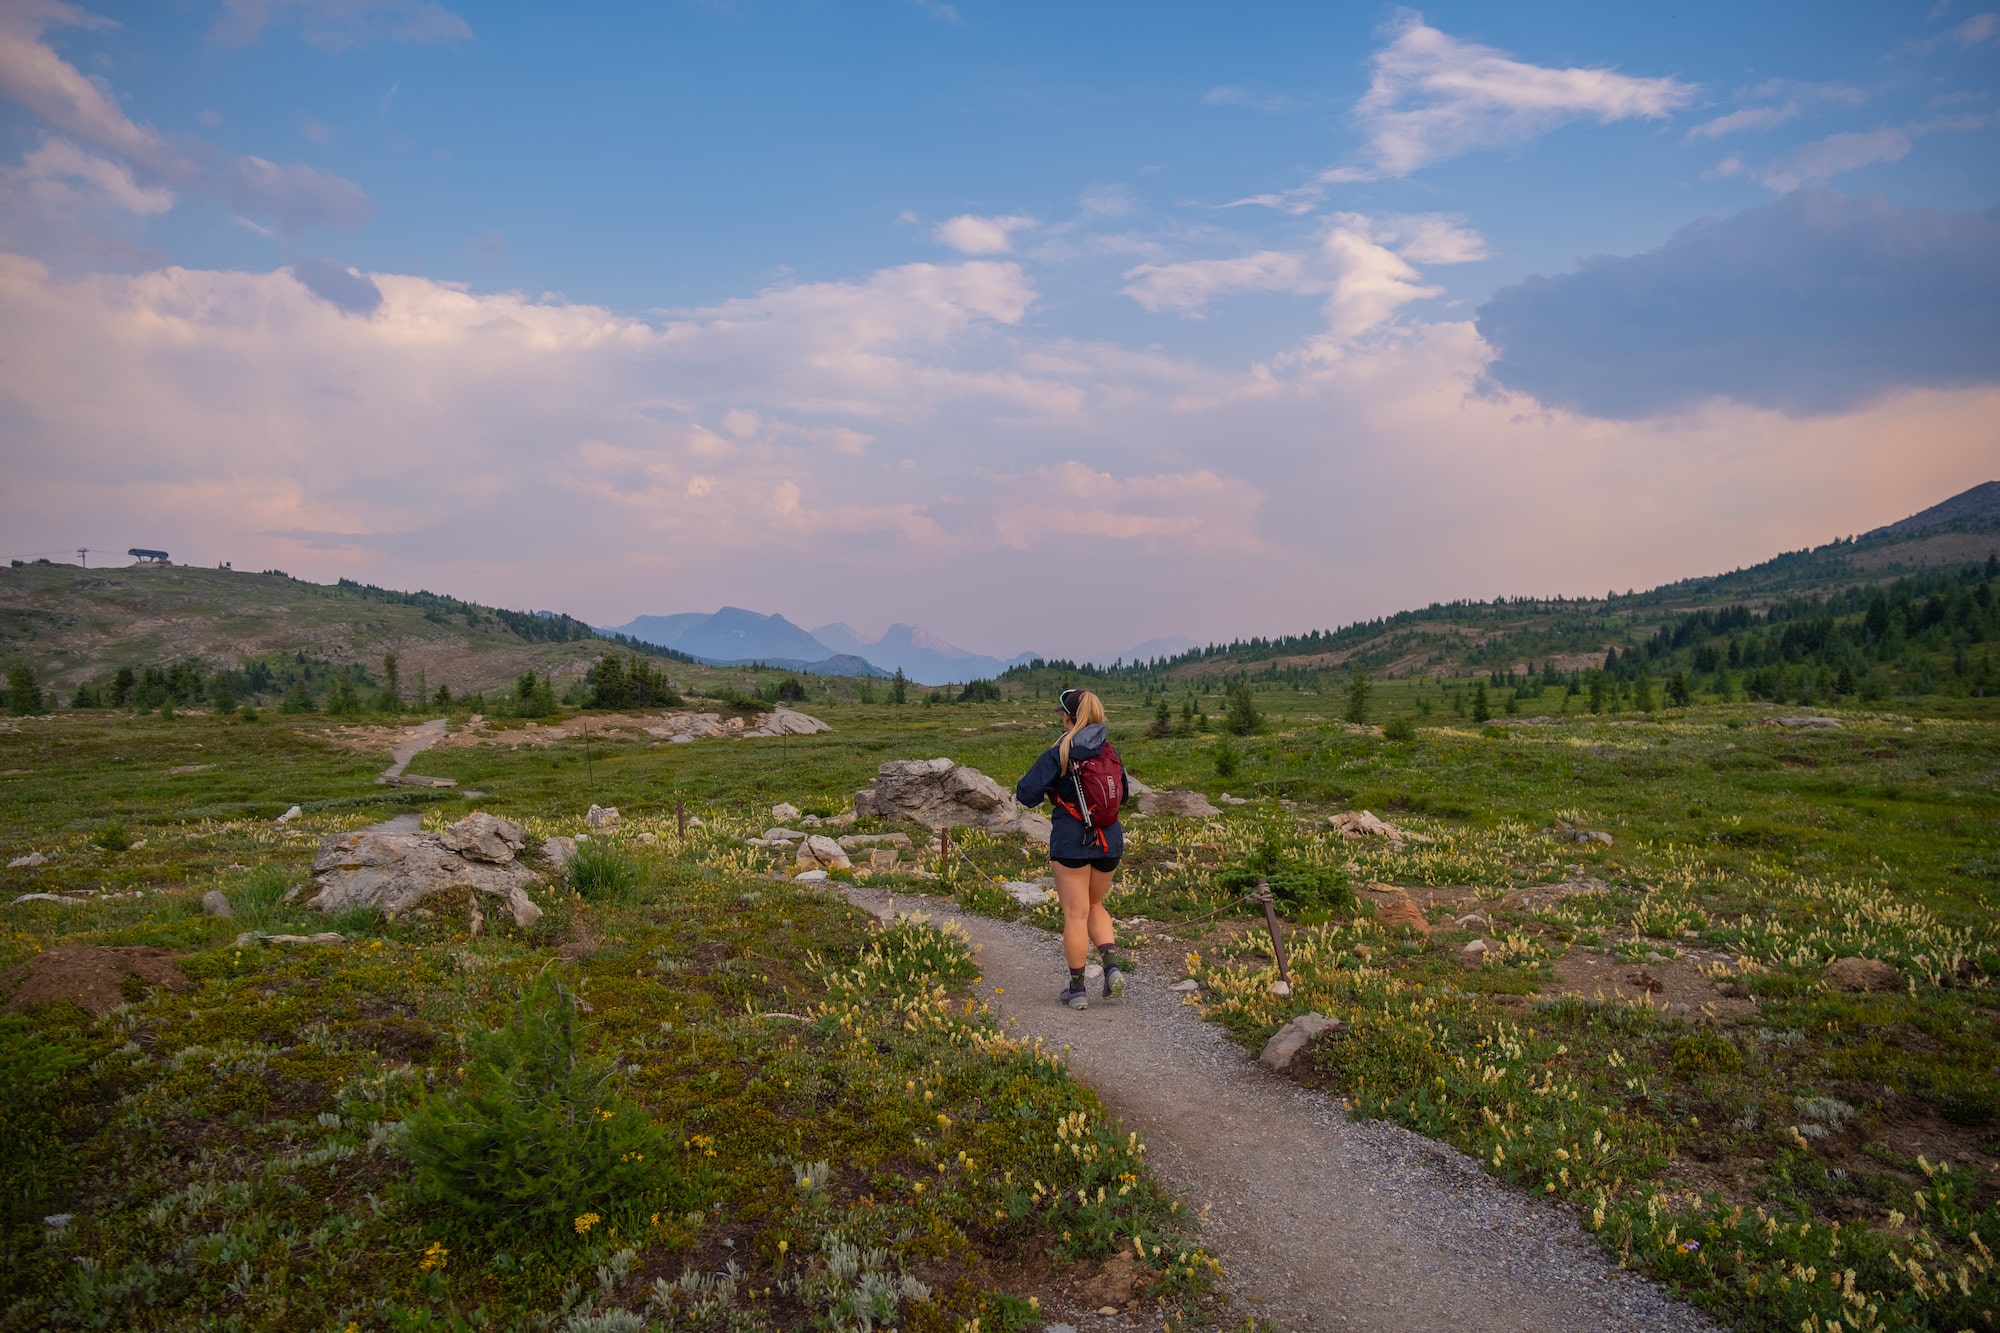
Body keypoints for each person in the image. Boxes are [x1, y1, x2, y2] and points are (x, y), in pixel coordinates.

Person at [1014, 688, 1130, 1009]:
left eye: (1061, 714)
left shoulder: (1060, 753)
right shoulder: (1110, 751)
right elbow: (1124, 796)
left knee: (1075, 914)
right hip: (1109, 842)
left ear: (1068, 717)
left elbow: (1025, 793)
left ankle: (1077, 990)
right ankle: (1111, 968)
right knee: (1095, 904)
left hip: (1071, 843)